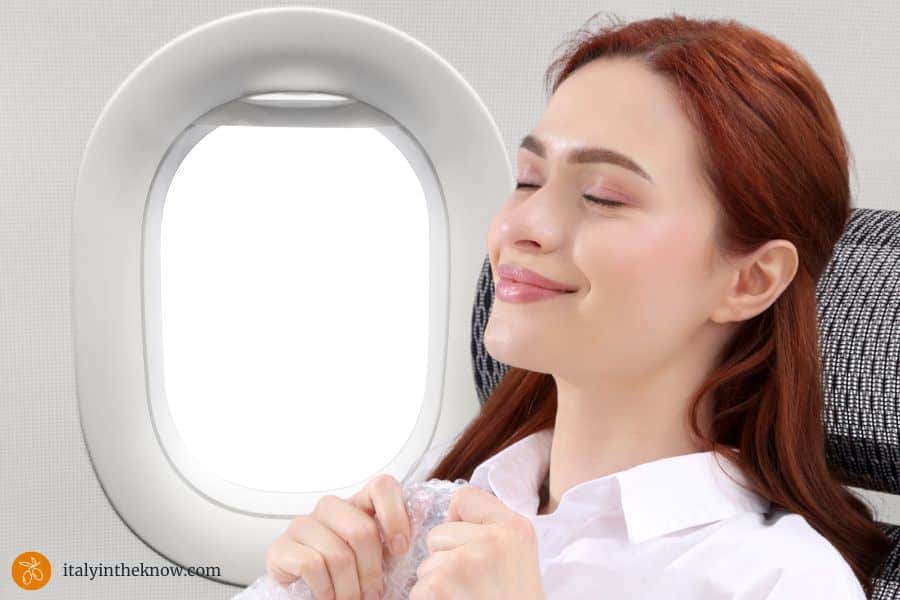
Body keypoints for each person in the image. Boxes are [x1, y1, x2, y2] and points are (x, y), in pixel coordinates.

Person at [265, 11, 893, 599]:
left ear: (750, 280)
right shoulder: (434, 498)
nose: (522, 225)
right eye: (528, 180)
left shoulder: (777, 579)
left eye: (602, 196)